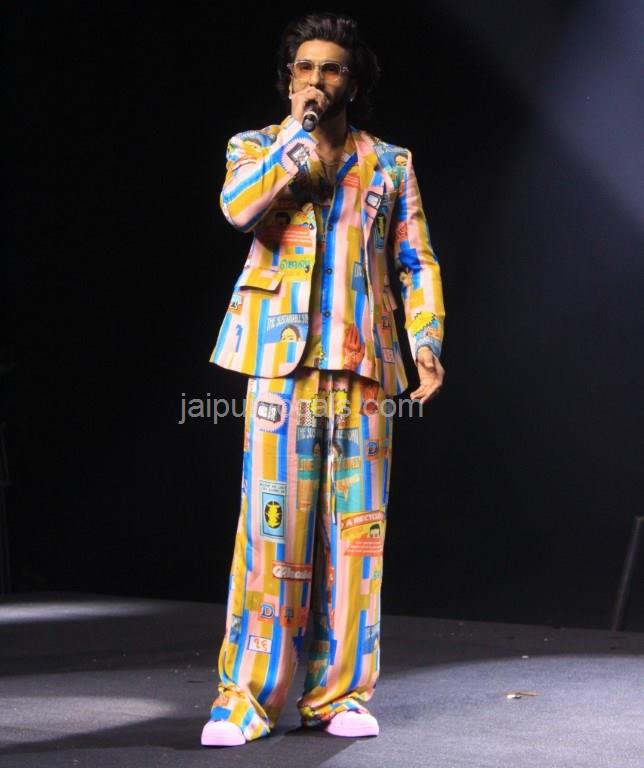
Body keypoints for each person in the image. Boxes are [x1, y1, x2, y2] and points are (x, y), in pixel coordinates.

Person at [201, 11, 446, 747]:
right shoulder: (255, 147)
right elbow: (239, 210)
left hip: (364, 366)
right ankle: (245, 700)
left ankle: (339, 695)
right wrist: (292, 142)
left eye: (331, 68)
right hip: (282, 368)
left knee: (357, 537)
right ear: (289, 79)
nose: (316, 79)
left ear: (353, 81)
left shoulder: (390, 163)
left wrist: (426, 340)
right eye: (304, 68)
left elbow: (416, 259)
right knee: (271, 534)